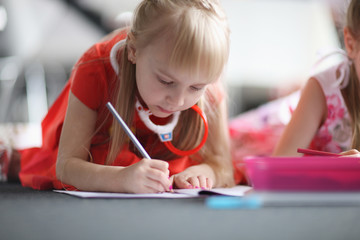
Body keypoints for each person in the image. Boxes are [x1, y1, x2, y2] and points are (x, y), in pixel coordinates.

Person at [0, 0, 235, 193]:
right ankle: (15, 159)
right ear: (133, 51)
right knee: (45, 163)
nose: (178, 100)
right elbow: (67, 166)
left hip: (156, 154)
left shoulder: (207, 80)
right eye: (165, 81)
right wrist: (121, 179)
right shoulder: (95, 69)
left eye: (196, 88)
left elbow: (223, 165)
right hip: (100, 145)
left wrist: (205, 174)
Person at [273, 0, 360, 157]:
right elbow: (280, 165)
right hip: (275, 125)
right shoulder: (322, 89)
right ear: (351, 44)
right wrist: (337, 170)